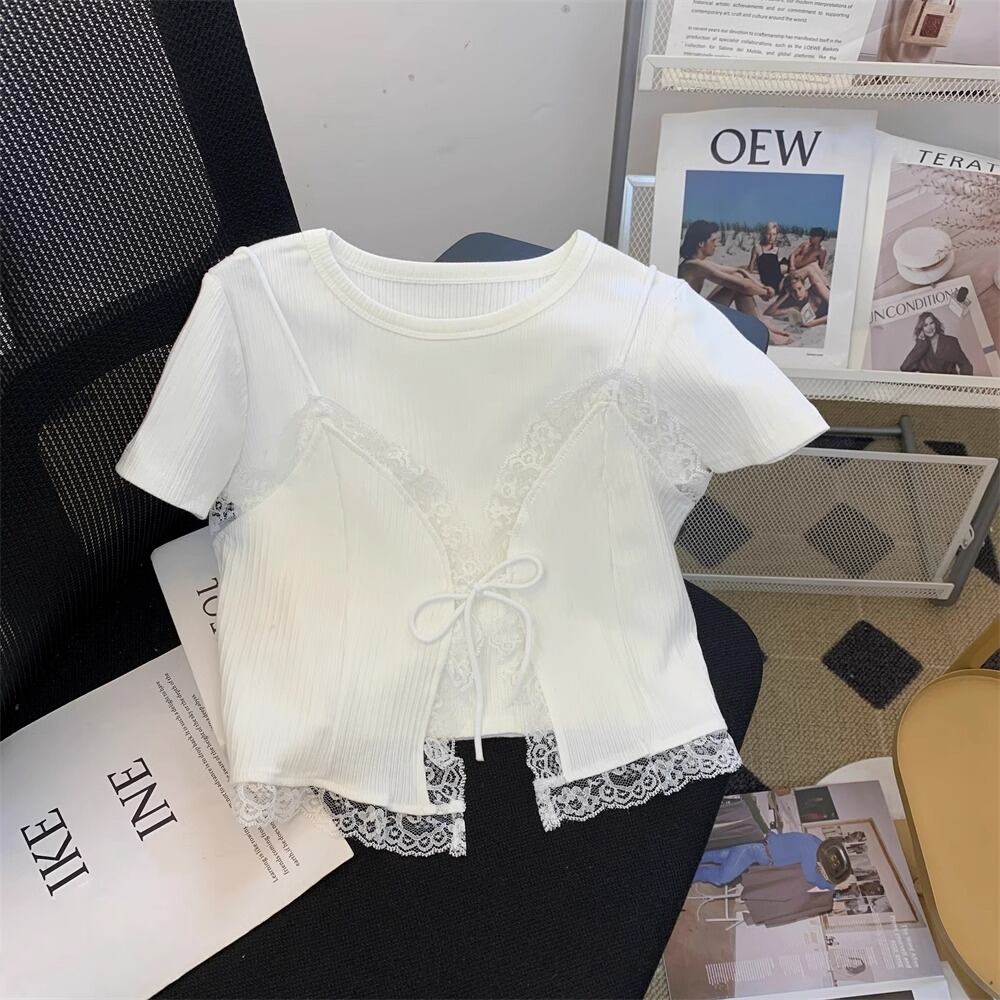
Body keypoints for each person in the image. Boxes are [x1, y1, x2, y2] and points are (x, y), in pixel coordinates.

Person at [678, 220, 792, 345]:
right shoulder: (695, 266)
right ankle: (764, 331)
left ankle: (762, 324)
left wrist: (763, 286)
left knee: (737, 276)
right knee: (738, 287)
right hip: (692, 322)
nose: (716, 244)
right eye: (713, 241)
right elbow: (743, 286)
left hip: (697, 313)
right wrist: (764, 292)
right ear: (701, 243)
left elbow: (739, 270)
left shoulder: (698, 262)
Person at [694, 831, 850, 891]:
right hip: (755, 851)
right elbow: (810, 876)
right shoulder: (811, 849)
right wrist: (831, 886)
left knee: (718, 856)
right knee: (722, 877)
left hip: (758, 846)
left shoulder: (816, 842)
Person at [900, 311, 974, 376]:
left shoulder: (951, 342)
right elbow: (905, 368)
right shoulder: (920, 348)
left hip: (951, 385)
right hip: (932, 387)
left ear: (936, 323)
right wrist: (920, 344)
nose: (929, 328)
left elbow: (966, 365)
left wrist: (962, 385)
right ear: (921, 329)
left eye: (931, 323)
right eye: (925, 325)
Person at [765, 263, 830, 329]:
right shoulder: (795, 306)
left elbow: (835, 310)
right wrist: (785, 296)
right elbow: (768, 313)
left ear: (804, 286)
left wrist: (813, 323)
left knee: (812, 269)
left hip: (830, 295)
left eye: (799, 288)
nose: (798, 294)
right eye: (793, 291)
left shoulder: (816, 289)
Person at [748, 221, 784, 296]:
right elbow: (750, 269)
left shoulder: (776, 249)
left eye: (774, 234)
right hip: (767, 285)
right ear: (764, 234)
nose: (771, 237)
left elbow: (776, 269)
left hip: (780, 282)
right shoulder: (757, 248)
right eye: (768, 234)